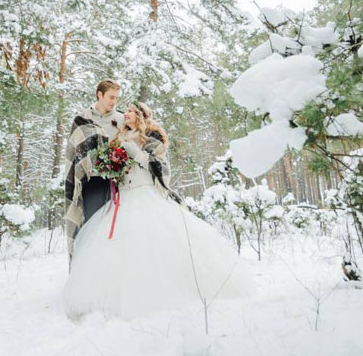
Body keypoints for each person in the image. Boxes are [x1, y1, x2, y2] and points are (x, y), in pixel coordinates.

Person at [63, 102, 251, 321]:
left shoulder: (152, 138)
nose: (127, 114)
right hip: (122, 198)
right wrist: (112, 165)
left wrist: (133, 151)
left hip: (145, 194)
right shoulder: (118, 137)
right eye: (127, 111)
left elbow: (157, 166)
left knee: (155, 245)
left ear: (141, 116)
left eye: (132, 111)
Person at [63, 79, 125, 266]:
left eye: (117, 98)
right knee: (92, 228)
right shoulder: (82, 120)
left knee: (117, 232)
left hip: (119, 184)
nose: (114, 102)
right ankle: (89, 271)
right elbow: (74, 156)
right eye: (111, 97)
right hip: (93, 184)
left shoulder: (122, 120)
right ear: (99, 94)